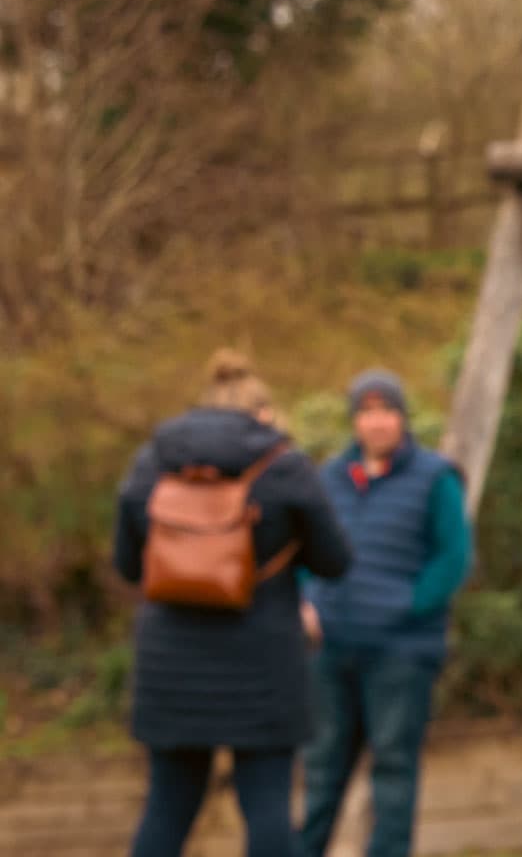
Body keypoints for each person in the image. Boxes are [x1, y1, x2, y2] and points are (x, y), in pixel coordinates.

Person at [116, 349, 353, 857]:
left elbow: (128, 565)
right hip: (262, 662)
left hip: (170, 666)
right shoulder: (284, 465)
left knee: (167, 806)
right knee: (266, 805)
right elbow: (335, 561)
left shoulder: (150, 461)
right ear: (262, 412)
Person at [299, 370, 473, 857]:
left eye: (386, 412)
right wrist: (306, 600)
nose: (377, 423)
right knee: (321, 769)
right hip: (331, 650)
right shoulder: (329, 477)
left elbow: (454, 557)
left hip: (401, 653)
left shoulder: (434, 478)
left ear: (402, 419)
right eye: (367, 413)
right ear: (355, 421)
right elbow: (300, 547)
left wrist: (408, 605)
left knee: (394, 769)